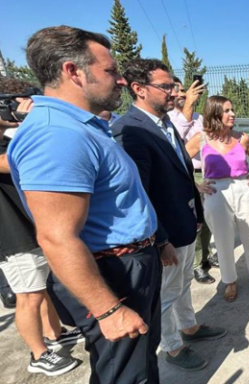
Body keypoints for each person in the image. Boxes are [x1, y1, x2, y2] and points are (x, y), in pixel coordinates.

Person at [8, 25, 161, 383]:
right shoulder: (56, 134)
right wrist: (108, 311)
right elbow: (57, 237)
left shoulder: (81, 126)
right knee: (125, 375)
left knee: (136, 366)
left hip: (128, 262)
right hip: (110, 273)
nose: (121, 80)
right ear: (72, 71)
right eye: (110, 70)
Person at [112, 58, 227, 372]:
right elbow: (138, 193)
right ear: (138, 89)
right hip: (165, 234)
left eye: (174, 86)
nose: (174, 92)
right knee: (165, 294)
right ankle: (173, 348)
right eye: (165, 87)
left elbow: (183, 171)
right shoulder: (130, 130)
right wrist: (159, 238)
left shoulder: (163, 123)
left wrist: (196, 212)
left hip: (185, 223)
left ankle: (189, 327)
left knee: (183, 284)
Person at [1, 76, 82, 376]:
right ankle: (38, 353)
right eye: (14, 102)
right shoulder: (14, 140)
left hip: (31, 225)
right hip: (13, 235)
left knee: (40, 287)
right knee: (28, 295)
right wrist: (26, 123)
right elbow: (16, 161)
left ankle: (55, 333)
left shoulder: (10, 135)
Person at [185, 96, 249, 302]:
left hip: (243, 189)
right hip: (215, 191)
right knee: (223, 241)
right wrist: (197, 185)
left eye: (232, 110)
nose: (233, 114)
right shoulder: (200, 138)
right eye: (227, 111)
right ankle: (230, 281)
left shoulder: (242, 138)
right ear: (215, 114)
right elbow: (179, 162)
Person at [168, 76, 219, 285]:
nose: (182, 93)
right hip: (189, 175)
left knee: (207, 221)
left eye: (184, 90)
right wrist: (193, 183)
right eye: (178, 90)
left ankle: (205, 257)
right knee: (195, 222)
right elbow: (177, 155)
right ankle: (197, 265)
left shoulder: (199, 118)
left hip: (207, 173)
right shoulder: (170, 119)